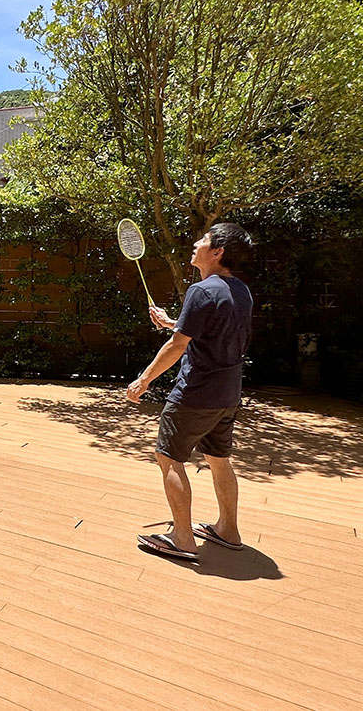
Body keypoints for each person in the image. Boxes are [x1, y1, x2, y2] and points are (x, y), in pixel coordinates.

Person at [127, 223, 254, 561]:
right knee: (219, 460)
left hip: (196, 392)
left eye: (204, 240)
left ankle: (183, 539)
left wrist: (144, 379)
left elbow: (178, 346)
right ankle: (228, 529)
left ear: (218, 252)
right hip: (228, 394)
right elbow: (210, 332)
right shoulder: (240, 290)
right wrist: (173, 322)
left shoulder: (201, 291)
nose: (196, 243)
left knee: (168, 457)